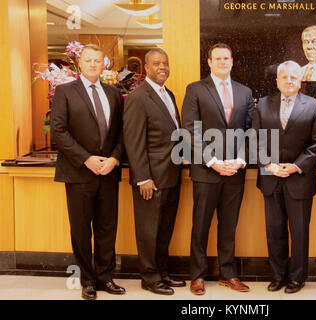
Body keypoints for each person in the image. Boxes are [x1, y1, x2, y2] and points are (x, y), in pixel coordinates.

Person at [51, 44, 126, 300]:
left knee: (107, 228)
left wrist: (115, 159)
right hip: (78, 172)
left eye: (98, 60)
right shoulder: (64, 92)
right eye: (88, 60)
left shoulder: (114, 93)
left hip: (108, 173)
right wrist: (86, 159)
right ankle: (87, 280)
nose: (93, 64)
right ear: (79, 64)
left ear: (104, 64)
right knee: (81, 229)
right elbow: (59, 132)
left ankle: (105, 278)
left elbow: (122, 132)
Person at [181, 43, 254, 295]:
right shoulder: (195, 89)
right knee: (200, 225)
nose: (223, 62)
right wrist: (213, 161)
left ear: (232, 61)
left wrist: (240, 160)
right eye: (218, 58)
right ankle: (197, 275)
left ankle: (228, 273)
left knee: (229, 224)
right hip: (206, 171)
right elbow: (191, 129)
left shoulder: (244, 92)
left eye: (227, 58)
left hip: (235, 172)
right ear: (209, 62)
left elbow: (249, 130)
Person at [252, 61, 316, 293]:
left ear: (300, 80)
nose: (289, 81)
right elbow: (254, 139)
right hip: (271, 178)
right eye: (284, 77)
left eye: (294, 77)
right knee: (275, 231)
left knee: (299, 231)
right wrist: (269, 165)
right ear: (277, 80)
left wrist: (295, 167)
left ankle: (297, 278)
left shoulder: (314, 106)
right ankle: (278, 276)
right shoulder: (263, 105)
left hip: (299, 180)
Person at [123, 48, 185, 295]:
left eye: (166, 63)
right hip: (150, 178)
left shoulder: (168, 94)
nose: (162, 67)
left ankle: (162, 272)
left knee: (163, 229)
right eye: (157, 63)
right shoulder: (138, 97)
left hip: (170, 175)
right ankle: (149, 277)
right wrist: (143, 177)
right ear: (146, 68)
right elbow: (133, 141)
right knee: (149, 230)